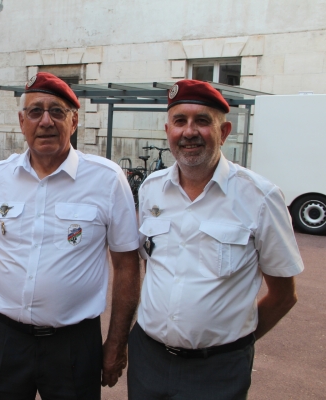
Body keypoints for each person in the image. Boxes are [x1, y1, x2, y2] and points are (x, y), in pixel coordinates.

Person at [0, 72, 141, 400]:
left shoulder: (106, 179)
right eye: (35, 111)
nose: (45, 121)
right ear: (22, 121)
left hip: (73, 345)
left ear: (74, 122)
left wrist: (117, 342)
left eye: (57, 111)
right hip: (5, 337)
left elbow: (127, 264)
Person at [128, 79, 304, 399]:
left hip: (218, 370)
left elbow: (284, 295)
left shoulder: (260, 196)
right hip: (148, 359)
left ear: (224, 132)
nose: (190, 131)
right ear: (168, 130)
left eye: (203, 121)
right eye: (180, 121)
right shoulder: (151, 188)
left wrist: (237, 344)